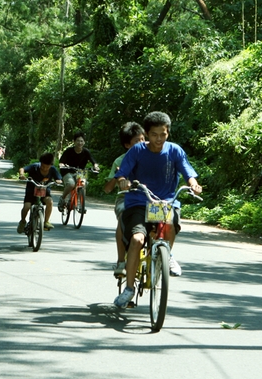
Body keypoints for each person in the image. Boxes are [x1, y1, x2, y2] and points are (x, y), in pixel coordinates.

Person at [113, 111, 202, 308]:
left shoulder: (175, 151)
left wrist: (194, 184)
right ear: (147, 133)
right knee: (137, 239)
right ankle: (129, 289)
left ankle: (167, 255)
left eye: (163, 134)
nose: (159, 139)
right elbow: (122, 173)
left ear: (168, 132)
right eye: (154, 134)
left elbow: (188, 172)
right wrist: (123, 182)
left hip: (166, 202)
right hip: (139, 201)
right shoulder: (136, 151)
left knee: (170, 226)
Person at [103, 122, 145, 278]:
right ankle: (121, 261)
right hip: (126, 198)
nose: (141, 144)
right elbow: (107, 188)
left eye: (143, 139)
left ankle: (161, 254)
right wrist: (118, 177)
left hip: (149, 198)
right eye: (136, 141)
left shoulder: (153, 155)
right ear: (127, 145)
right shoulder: (120, 161)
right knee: (123, 218)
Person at [17, 153, 63, 233]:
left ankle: (46, 222)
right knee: (27, 207)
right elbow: (22, 169)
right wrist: (22, 174)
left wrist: (59, 180)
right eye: (43, 166)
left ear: (50, 165)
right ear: (40, 163)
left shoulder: (52, 169)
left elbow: (59, 178)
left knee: (50, 202)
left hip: (44, 191)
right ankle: (22, 221)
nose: (45, 168)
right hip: (31, 190)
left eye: (47, 167)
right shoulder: (35, 166)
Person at [58, 132, 100, 211]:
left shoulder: (86, 151)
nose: (80, 143)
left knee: (83, 184)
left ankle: (81, 206)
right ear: (74, 141)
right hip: (68, 171)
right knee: (71, 184)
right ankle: (62, 198)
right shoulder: (68, 151)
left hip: (81, 171)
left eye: (81, 141)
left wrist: (96, 166)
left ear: (84, 142)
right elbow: (61, 162)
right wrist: (62, 165)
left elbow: (93, 161)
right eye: (78, 141)